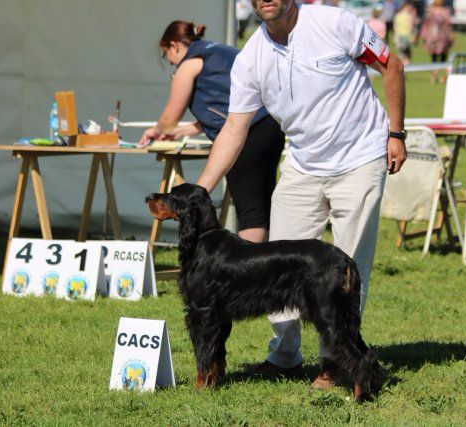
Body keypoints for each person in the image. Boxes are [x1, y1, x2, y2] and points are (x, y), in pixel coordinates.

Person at [196, 0, 406, 388]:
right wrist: (201, 189)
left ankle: (337, 359)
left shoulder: (335, 22)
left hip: (359, 156)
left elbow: (391, 64)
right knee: (276, 265)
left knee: (347, 265)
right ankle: (285, 356)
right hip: (302, 165)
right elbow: (234, 128)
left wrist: (396, 133)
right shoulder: (251, 58)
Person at [141, 21, 285, 243]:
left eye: (165, 55)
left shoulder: (188, 65)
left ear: (174, 45)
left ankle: (249, 274)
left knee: (250, 211)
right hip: (271, 125)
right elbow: (225, 105)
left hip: (246, 132)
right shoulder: (219, 51)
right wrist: (181, 132)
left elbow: (170, 118)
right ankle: (269, 268)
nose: (169, 62)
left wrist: (155, 130)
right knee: (263, 202)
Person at [420, 0, 453, 83]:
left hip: (431, 38)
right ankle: (439, 74)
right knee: (443, 58)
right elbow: (448, 26)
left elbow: (425, 25)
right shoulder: (444, 12)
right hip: (442, 38)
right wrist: (451, 38)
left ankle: (434, 75)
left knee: (434, 58)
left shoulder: (430, 13)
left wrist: (424, 37)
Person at [394, 1, 418, 65]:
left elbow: (395, 28)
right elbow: (410, 28)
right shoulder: (409, 15)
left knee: (401, 53)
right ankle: (405, 68)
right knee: (408, 54)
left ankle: (399, 66)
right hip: (407, 37)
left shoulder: (397, 15)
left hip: (399, 37)